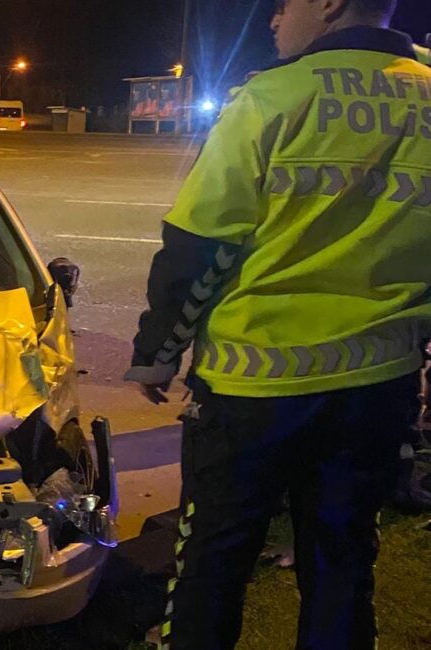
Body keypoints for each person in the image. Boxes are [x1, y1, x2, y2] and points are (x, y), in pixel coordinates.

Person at [124, 0, 431, 648]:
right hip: (378, 388)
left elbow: (200, 246)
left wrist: (159, 352)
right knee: (343, 569)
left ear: (328, 4)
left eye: (285, 3)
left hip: (251, 394)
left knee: (211, 567)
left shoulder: (269, 98)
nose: (272, 19)